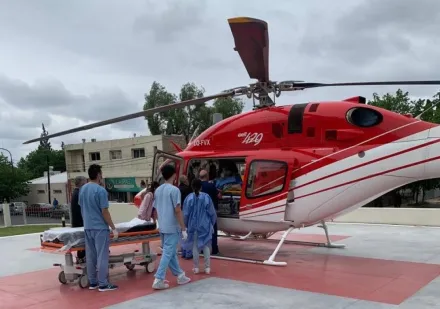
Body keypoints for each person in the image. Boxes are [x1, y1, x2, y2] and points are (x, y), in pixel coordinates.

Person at [79, 164, 119, 292]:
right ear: (98, 175)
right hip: (100, 228)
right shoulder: (101, 191)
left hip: (88, 227)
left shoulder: (83, 189)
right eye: (101, 174)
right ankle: (103, 284)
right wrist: (113, 228)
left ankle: (93, 282)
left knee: (91, 256)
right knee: (102, 256)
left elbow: (82, 207)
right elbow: (104, 211)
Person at [152, 164, 191, 290]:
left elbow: (155, 209)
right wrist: (183, 228)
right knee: (168, 252)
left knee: (170, 252)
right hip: (172, 226)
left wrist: (158, 223)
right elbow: (178, 210)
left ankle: (180, 275)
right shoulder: (174, 190)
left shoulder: (158, 190)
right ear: (174, 175)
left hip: (163, 226)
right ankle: (159, 278)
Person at [183, 178, 217, 274]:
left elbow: (185, 214)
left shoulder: (189, 198)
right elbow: (212, 213)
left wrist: (184, 226)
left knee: (195, 246)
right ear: (201, 187)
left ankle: (196, 267)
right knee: (206, 245)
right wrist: (212, 223)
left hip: (193, 226)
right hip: (205, 225)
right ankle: (207, 268)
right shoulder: (206, 197)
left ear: (192, 187)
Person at [199, 169, 220, 255]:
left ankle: (201, 249)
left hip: (200, 212)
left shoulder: (197, 186)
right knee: (213, 231)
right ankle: (214, 250)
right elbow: (219, 195)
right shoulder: (211, 186)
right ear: (207, 176)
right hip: (211, 211)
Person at [71, 176, 87, 263]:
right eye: (85, 183)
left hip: (77, 222)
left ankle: (81, 257)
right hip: (81, 222)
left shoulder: (75, 193)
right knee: (82, 242)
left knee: (81, 242)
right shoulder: (80, 193)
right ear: (82, 183)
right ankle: (82, 257)